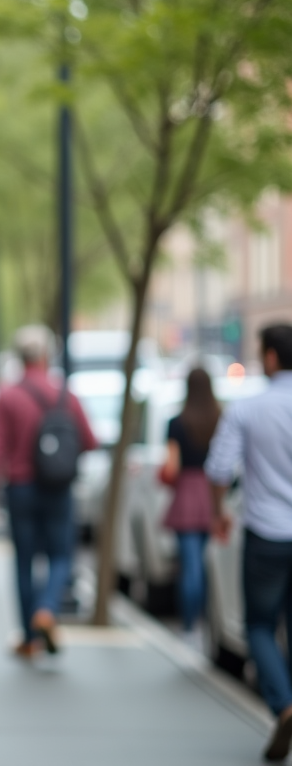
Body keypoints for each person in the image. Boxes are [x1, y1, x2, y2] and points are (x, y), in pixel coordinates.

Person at [0, 325, 97, 658]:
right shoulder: (65, 395)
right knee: (61, 554)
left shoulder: (9, 395)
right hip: (58, 486)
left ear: (20, 357)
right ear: (46, 355)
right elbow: (90, 440)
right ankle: (47, 608)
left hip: (20, 488)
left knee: (24, 561)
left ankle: (29, 639)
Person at [205, 323, 292, 762]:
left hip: (266, 533)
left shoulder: (248, 408)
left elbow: (219, 468)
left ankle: (284, 704)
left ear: (271, 356)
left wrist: (219, 510)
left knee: (258, 624)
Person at [160, 367, 219, 639]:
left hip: (186, 493)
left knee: (190, 564)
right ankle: (203, 620)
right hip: (211, 493)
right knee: (205, 563)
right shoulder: (220, 420)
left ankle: (188, 623)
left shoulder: (177, 423)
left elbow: (171, 468)